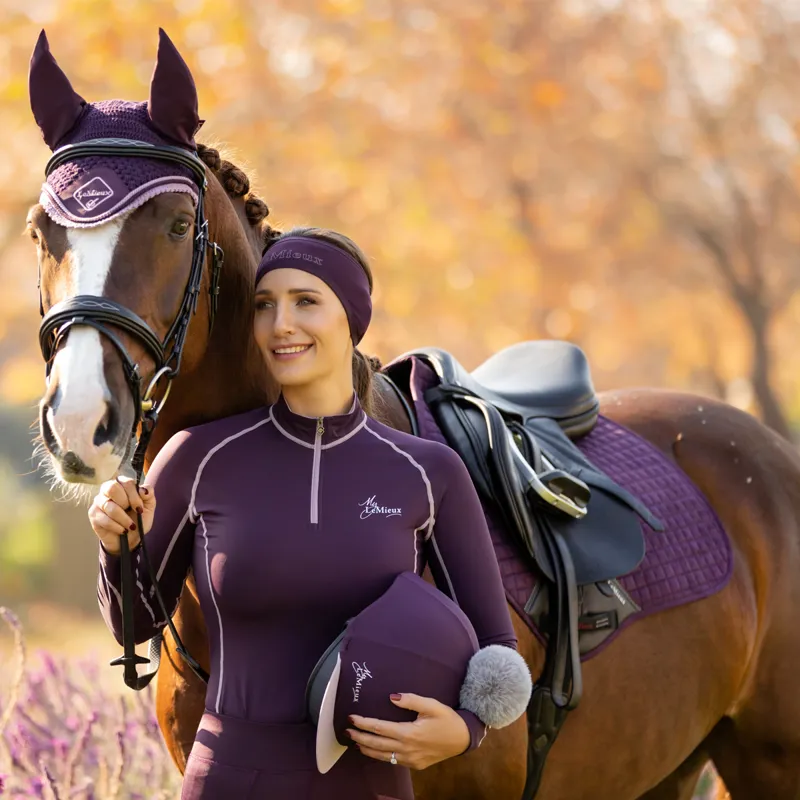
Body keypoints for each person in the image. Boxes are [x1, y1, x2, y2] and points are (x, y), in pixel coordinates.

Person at [91, 227, 521, 800]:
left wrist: (465, 731)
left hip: (373, 786)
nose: (280, 325)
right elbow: (134, 623)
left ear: (352, 320)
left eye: (306, 302)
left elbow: (497, 648)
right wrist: (116, 545)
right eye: (264, 306)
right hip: (228, 782)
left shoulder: (428, 471)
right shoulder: (197, 457)